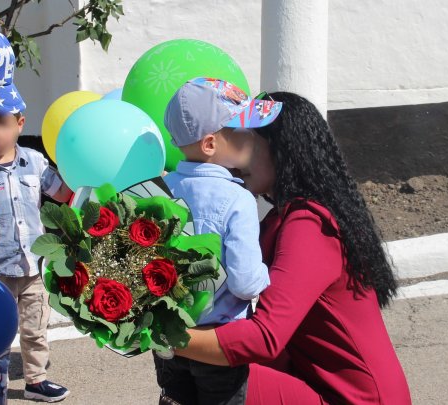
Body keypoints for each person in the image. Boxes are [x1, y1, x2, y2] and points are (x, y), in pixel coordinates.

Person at [175, 92, 412, 405]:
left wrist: (167, 338)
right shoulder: (279, 217)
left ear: (281, 149)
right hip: (310, 380)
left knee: (216, 375)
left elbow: (264, 338)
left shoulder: (308, 224)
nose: (237, 155)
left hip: (353, 398)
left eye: (247, 139)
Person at [157, 77, 283, 405]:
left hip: (170, 337)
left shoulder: (162, 189)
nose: (253, 139)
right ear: (210, 144)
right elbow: (243, 284)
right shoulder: (237, 199)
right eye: (242, 132)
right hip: (218, 342)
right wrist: (269, 276)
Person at [0, 53, 72, 402]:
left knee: (35, 328)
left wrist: (73, 164)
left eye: (2, 122)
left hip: (33, 266)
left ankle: (36, 380)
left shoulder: (34, 162)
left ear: (20, 123)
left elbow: (62, 193)